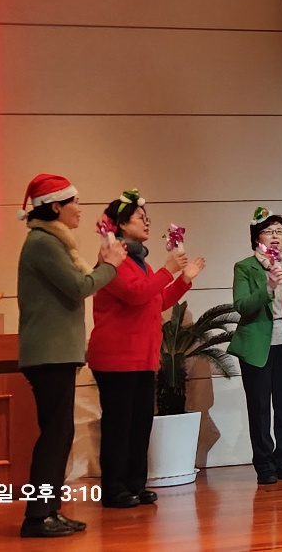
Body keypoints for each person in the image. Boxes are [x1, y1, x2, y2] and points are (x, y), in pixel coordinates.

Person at [14, 173, 125, 538]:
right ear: (55, 207)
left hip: (56, 353)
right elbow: (80, 287)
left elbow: (79, 282)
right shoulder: (43, 243)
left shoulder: (52, 242)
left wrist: (103, 265)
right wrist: (111, 265)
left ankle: (49, 510)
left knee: (60, 433)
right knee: (55, 434)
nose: (79, 208)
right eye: (74, 202)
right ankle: (37, 516)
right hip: (48, 353)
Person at [87, 189, 204, 508]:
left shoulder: (140, 262)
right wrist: (168, 269)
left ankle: (135, 485)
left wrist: (183, 280)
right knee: (119, 425)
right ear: (122, 225)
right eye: (140, 217)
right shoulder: (112, 259)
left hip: (141, 356)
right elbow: (136, 294)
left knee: (140, 424)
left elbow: (157, 300)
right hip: (116, 357)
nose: (147, 222)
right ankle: (114, 488)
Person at [229, 207, 282, 484]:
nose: (275, 236)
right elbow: (242, 305)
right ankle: (264, 465)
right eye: (269, 231)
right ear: (257, 237)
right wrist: (267, 287)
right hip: (256, 345)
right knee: (259, 408)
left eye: (280, 231)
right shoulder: (245, 267)